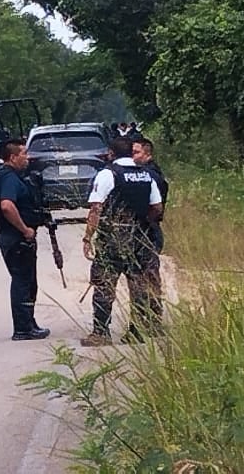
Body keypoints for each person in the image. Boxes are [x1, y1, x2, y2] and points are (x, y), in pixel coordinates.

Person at [80, 137, 165, 346]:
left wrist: (88, 237)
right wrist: (143, 223)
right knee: (139, 287)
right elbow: (157, 208)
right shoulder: (146, 175)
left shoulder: (109, 174)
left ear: (111, 153)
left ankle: (101, 333)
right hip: (140, 241)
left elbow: (96, 209)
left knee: (104, 285)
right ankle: (136, 332)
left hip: (112, 241)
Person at [0, 141, 50, 341]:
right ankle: (23, 329)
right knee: (22, 282)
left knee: (28, 282)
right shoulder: (9, 179)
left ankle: (29, 323)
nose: (28, 157)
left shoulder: (9, 176)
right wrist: (24, 229)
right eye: (24, 153)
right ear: (13, 157)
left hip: (14, 239)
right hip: (16, 239)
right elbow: (6, 206)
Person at [132, 138, 168, 253]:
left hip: (149, 230)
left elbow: (157, 207)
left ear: (147, 154)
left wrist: (146, 221)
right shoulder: (148, 171)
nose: (133, 156)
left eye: (136, 153)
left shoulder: (149, 175)